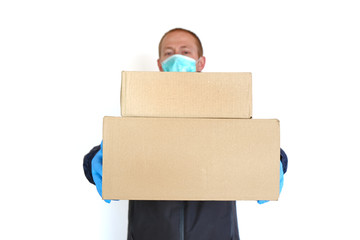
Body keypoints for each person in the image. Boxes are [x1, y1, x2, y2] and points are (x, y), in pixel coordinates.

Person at [83, 28, 288, 240]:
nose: (177, 57)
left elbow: (250, 142)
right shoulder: (141, 107)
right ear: (160, 63)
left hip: (215, 233)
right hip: (151, 232)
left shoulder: (224, 107)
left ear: (200, 62)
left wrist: (276, 158)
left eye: (185, 52)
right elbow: (116, 149)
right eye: (169, 53)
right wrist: (98, 157)